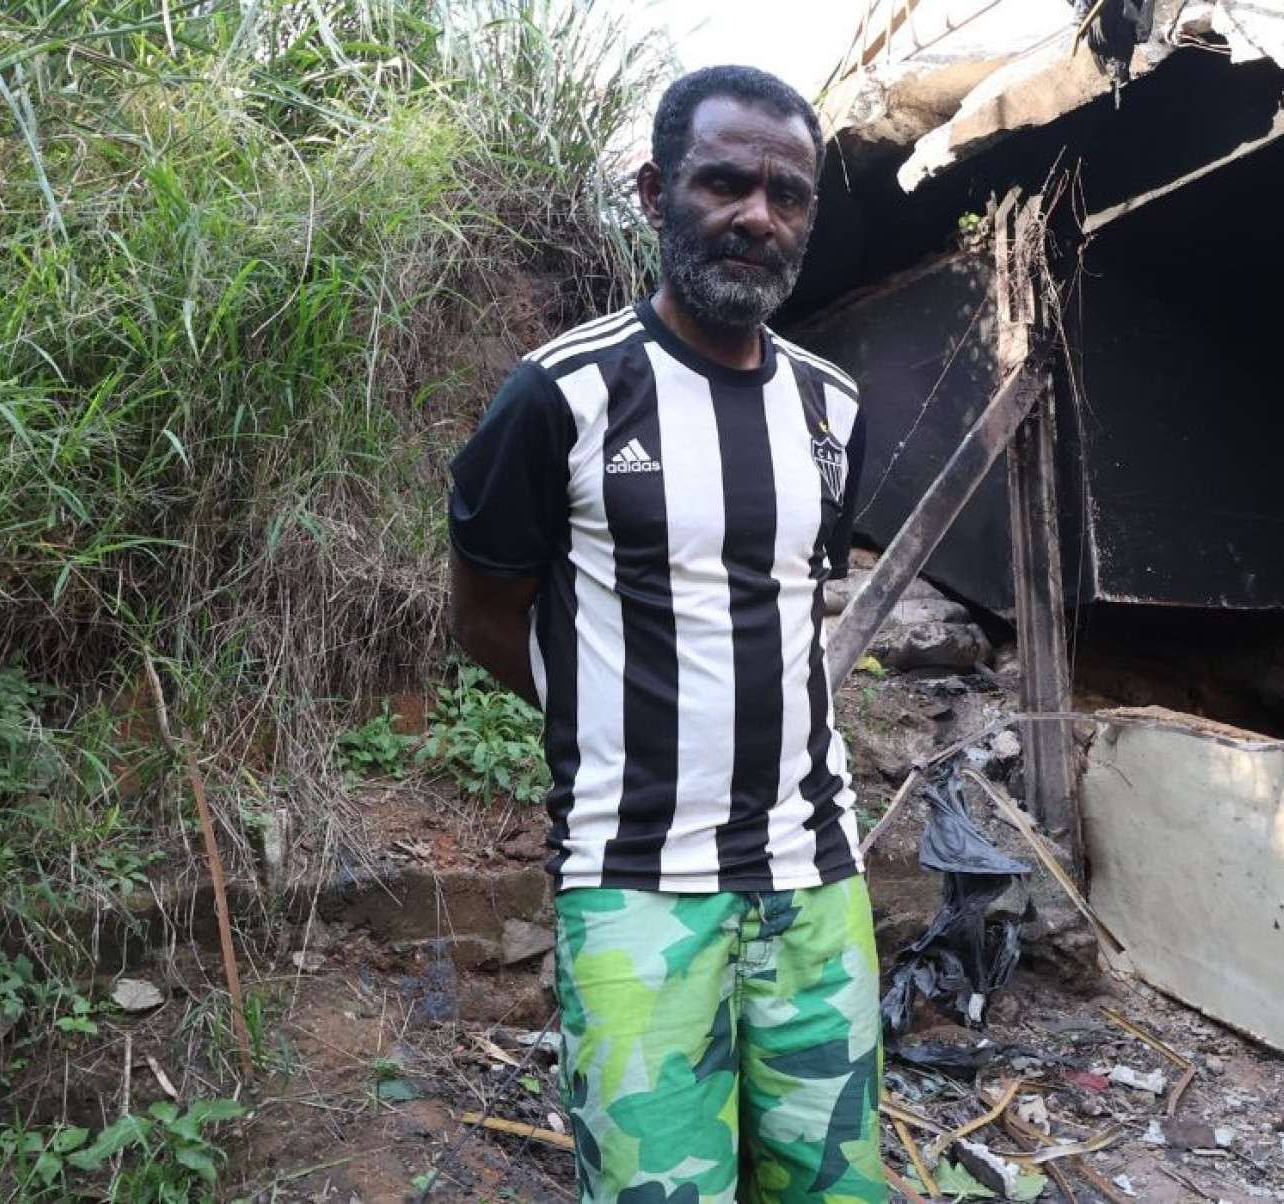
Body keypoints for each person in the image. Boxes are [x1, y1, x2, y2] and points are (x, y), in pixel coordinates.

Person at [445, 64, 885, 1204]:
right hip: (634, 887)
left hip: (816, 878)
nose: (757, 216)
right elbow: (486, 618)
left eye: (787, 195)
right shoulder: (561, 396)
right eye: (724, 183)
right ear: (654, 193)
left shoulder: (833, 408)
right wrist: (621, 718)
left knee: (834, 1186)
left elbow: (793, 605)